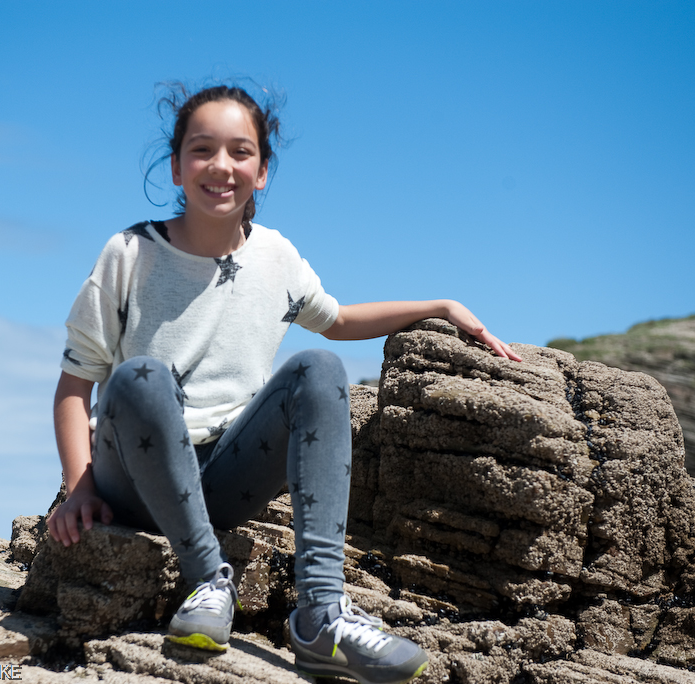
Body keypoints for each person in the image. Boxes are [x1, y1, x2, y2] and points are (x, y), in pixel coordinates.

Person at [46, 84, 522, 684]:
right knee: (140, 377)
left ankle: (321, 614)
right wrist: (78, 486)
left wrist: (440, 305)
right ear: (175, 166)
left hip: (223, 481)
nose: (221, 166)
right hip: (131, 481)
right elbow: (74, 386)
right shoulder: (129, 253)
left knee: (317, 369)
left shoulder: (277, 258)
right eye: (202, 150)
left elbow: (340, 321)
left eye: (240, 152)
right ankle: (206, 581)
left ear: (262, 172)